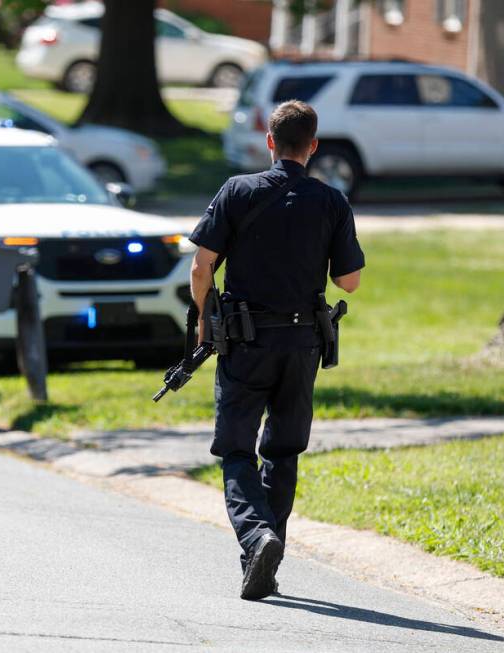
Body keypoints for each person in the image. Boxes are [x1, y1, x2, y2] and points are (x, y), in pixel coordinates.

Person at [188, 100, 365, 601]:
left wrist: (203, 315)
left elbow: (203, 267)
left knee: (237, 449)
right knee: (283, 451)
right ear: (312, 147)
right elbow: (349, 281)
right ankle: (265, 554)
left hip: (245, 342)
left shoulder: (237, 191)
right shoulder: (332, 201)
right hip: (302, 343)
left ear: (270, 141)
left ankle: (256, 536)